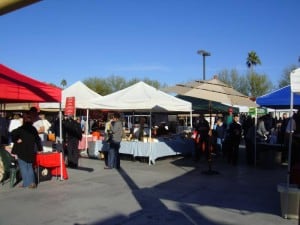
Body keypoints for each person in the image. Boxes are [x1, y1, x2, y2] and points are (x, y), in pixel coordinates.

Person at [11, 112, 43, 188]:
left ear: (24, 121)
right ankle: (32, 183)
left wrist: (16, 140)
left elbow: (12, 133)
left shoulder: (21, 129)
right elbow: (37, 139)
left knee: (23, 167)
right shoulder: (33, 129)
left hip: (21, 151)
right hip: (30, 150)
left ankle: (26, 183)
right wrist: (40, 148)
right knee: (29, 166)